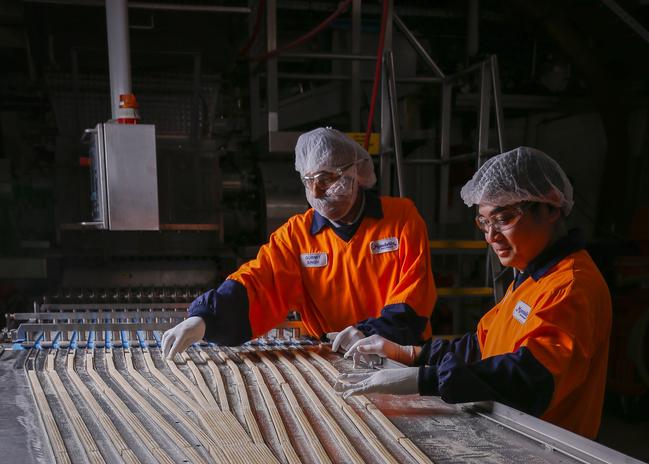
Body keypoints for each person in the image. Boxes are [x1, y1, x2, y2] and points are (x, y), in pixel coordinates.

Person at [336, 147, 612, 440]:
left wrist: (425, 379)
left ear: (551, 209)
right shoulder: (530, 279)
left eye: (503, 218)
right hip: (514, 436)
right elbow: (482, 347)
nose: (491, 236)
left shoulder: (571, 286)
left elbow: (528, 378)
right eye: (484, 222)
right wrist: (409, 353)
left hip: (549, 453)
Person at [161, 127, 436, 359]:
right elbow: (259, 282)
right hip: (333, 358)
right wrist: (205, 319)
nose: (316, 191)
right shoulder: (297, 235)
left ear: (353, 174)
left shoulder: (401, 218)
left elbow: (414, 297)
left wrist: (371, 332)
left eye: (326, 179)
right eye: (309, 180)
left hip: (399, 355)